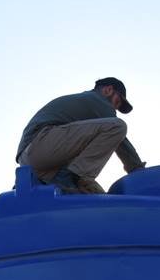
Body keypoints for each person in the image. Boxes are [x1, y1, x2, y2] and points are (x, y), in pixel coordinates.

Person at [16, 77, 146, 194]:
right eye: (117, 102)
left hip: (36, 162)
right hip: (41, 144)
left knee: (95, 195)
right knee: (117, 126)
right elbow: (122, 143)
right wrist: (137, 170)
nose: (115, 108)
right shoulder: (97, 100)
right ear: (108, 90)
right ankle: (73, 176)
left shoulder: (84, 107)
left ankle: (68, 178)